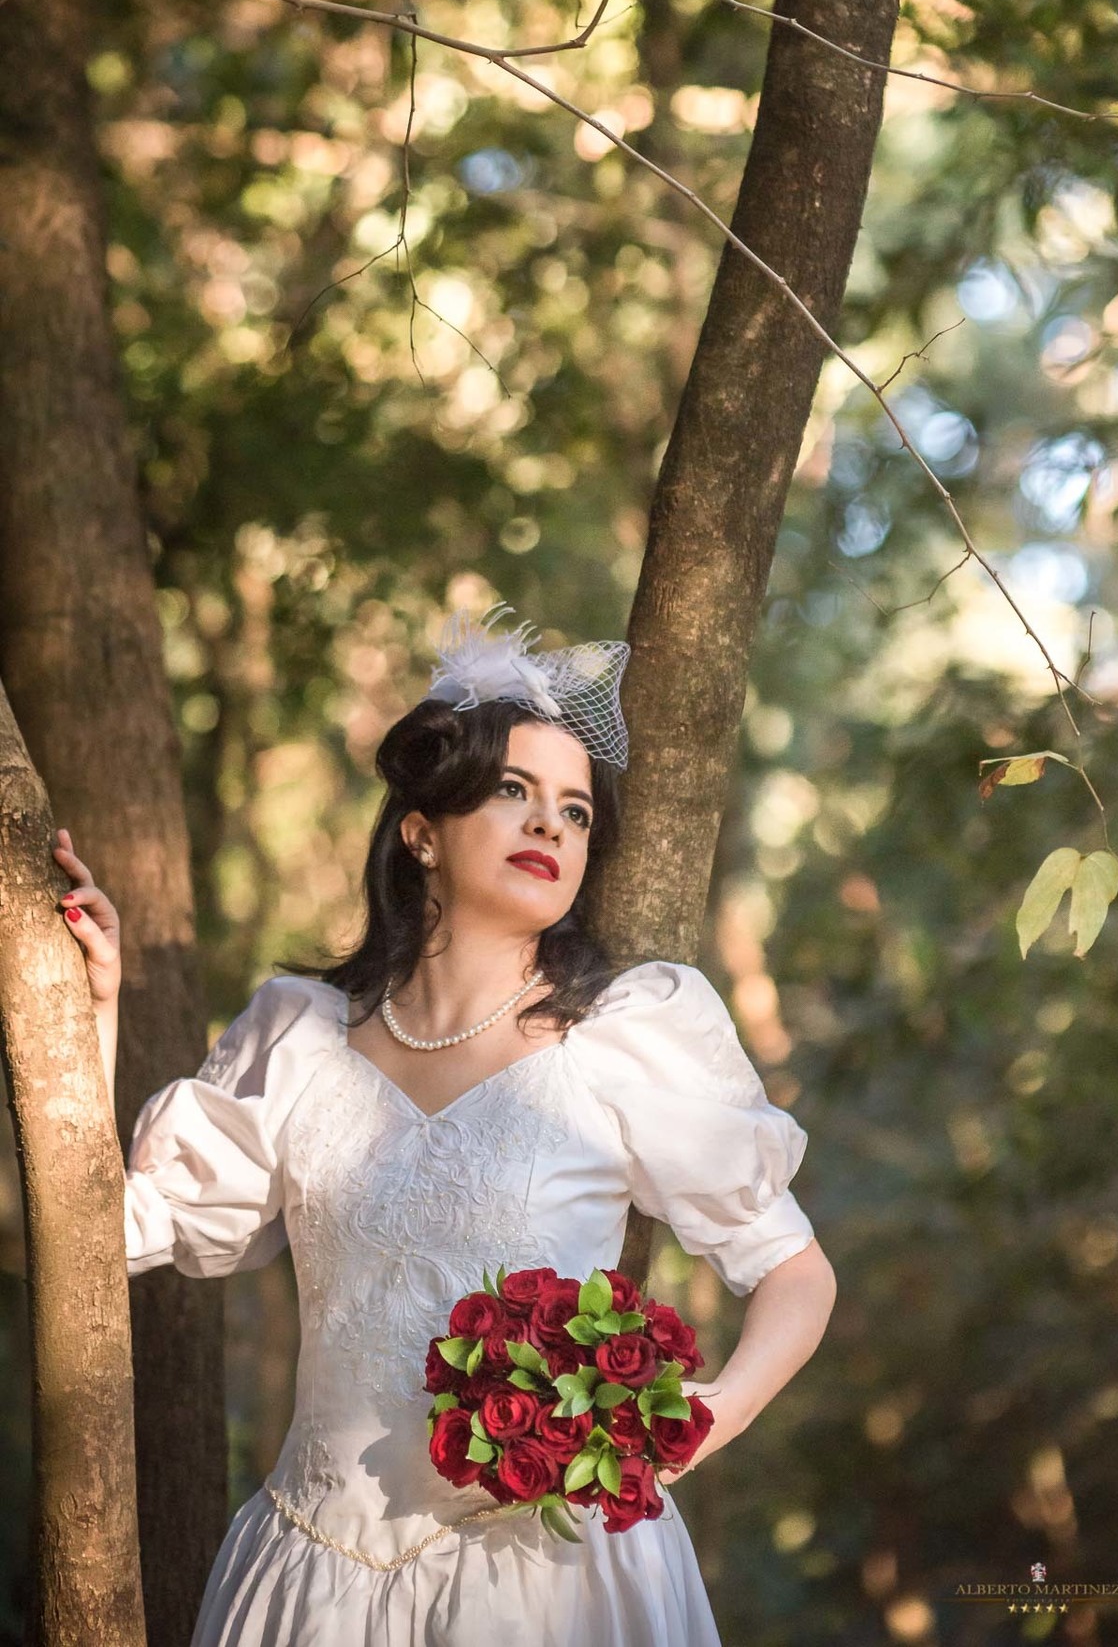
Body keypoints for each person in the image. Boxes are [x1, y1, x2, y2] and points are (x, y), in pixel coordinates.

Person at [52, 600, 837, 1646]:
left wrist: (690, 1428)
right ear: (422, 830)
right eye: (514, 791)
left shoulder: (623, 1041)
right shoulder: (298, 1039)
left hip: (553, 1588)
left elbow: (797, 1272)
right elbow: (93, 1238)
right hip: (312, 1579)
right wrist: (86, 1017)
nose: (551, 824)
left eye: (576, 809)